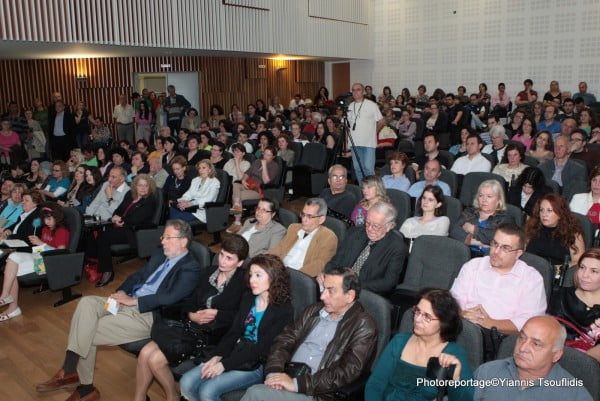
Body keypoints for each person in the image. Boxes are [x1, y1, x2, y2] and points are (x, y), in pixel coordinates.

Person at [35, 221, 202, 401]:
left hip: (148, 313)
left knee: (86, 330)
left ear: (183, 242)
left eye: (168, 238)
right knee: (86, 303)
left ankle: (80, 383)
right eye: (163, 237)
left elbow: (170, 297)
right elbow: (138, 276)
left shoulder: (190, 268)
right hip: (127, 300)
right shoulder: (160, 254)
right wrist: (121, 291)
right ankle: (71, 372)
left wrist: (134, 301)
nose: (162, 241)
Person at [241, 268, 377, 401]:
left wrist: (296, 384)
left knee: (256, 393)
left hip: (316, 392)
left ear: (349, 296)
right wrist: (275, 371)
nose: (322, 296)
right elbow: (285, 340)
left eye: (331, 291)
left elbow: (345, 372)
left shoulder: (364, 327)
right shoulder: (314, 310)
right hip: (287, 375)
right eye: (324, 289)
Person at [178, 254, 294, 401]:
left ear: (273, 277)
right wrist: (218, 355)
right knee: (186, 382)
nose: (252, 280)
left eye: (258, 275)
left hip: (256, 363)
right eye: (251, 275)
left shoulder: (283, 310)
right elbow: (234, 331)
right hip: (234, 352)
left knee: (207, 391)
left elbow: (260, 349)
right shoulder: (249, 297)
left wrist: (224, 365)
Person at [365, 289, 475, 401]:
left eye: (427, 316)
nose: (417, 319)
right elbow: (375, 385)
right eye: (417, 311)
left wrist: (455, 379)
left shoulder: (453, 354)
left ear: (444, 323)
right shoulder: (399, 342)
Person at [451, 223, 547, 336]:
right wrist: (462, 314)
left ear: (518, 253)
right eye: (495, 244)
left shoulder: (531, 279)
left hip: (502, 338)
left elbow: (529, 322)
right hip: (464, 329)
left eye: (505, 248)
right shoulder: (473, 266)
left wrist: (490, 323)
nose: (496, 251)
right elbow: (454, 300)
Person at [473, 316, 594, 401]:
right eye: (522, 338)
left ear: (556, 355)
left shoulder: (574, 395)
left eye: (536, 344)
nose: (523, 348)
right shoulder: (487, 372)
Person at [0, 203, 70, 321]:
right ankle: (5, 295)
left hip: (51, 262)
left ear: (57, 217)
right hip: (39, 257)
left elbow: (61, 253)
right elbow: (41, 248)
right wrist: (38, 244)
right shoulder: (45, 229)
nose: (46, 222)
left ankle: (12, 307)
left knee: (11, 269)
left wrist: (41, 244)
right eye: (44, 219)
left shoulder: (62, 231)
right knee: (12, 257)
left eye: (49, 219)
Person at [90, 174, 158, 287]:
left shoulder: (150, 201)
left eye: (146, 186)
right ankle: (95, 264)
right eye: (140, 185)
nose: (143, 188)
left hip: (134, 232)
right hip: (121, 225)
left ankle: (107, 271)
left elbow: (136, 219)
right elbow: (119, 209)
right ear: (135, 186)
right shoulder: (130, 194)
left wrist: (120, 219)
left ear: (149, 187)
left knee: (103, 237)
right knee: (95, 231)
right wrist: (114, 217)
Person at [325, 201, 406, 295]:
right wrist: (328, 274)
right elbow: (335, 261)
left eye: (376, 226)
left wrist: (352, 286)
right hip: (338, 285)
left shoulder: (397, 247)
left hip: (366, 292)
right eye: (367, 222)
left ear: (389, 226)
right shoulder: (354, 233)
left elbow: (388, 282)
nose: (370, 228)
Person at [550, 248, 600, 362]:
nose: (585, 275)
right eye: (582, 267)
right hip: (552, 357)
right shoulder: (559, 296)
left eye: (594, 271)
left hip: (588, 366)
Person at [268, 198, 337, 277]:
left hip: (298, 276)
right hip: (279, 270)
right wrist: (265, 263)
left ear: (321, 219)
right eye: (303, 214)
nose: (304, 219)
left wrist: (290, 276)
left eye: (309, 216)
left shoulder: (328, 237)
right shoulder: (293, 228)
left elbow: (318, 265)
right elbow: (279, 249)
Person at [450, 180, 515, 254]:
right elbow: (453, 230)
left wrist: (474, 229)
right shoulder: (469, 212)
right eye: (481, 195)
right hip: (462, 253)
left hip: (488, 257)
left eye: (489, 196)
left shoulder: (506, 218)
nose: (484, 200)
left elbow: (498, 238)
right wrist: (475, 242)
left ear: (499, 200)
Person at [525, 193, 585, 267]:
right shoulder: (532, 228)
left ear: (560, 213)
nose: (544, 214)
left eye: (549, 210)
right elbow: (522, 253)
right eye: (541, 210)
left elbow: (578, 262)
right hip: (530, 269)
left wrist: (555, 269)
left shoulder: (573, 233)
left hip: (557, 272)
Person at [228, 146, 280, 232]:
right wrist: (244, 180)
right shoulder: (257, 161)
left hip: (258, 190)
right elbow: (248, 173)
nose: (265, 156)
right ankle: (236, 205)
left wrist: (264, 165)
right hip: (248, 184)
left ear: (273, 156)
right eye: (265, 154)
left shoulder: (274, 166)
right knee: (235, 185)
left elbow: (266, 181)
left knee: (237, 196)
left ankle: (237, 222)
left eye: (268, 155)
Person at [346, 83, 385, 184]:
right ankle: (362, 189)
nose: (355, 92)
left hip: (368, 143)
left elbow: (381, 122)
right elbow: (347, 125)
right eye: (353, 90)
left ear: (363, 92)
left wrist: (373, 133)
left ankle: (372, 190)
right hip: (354, 143)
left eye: (358, 89)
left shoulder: (372, 105)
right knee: (358, 168)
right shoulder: (350, 106)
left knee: (368, 168)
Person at [169, 159, 220, 224]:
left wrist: (191, 203)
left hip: (203, 211)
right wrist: (182, 201)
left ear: (210, 169)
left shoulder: (215, 182)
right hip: (190, 208)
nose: (201, 170)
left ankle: (175, 229)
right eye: (199, 168)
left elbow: (208, 199)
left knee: (177, 217)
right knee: (171, 210)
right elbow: (188, 194)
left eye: (203, 168)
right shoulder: (196, 180)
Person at [570, 166, 600, 230]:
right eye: (594, 180)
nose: (596, 184)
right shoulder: (577, 198)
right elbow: (569, 222)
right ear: (590, 181)